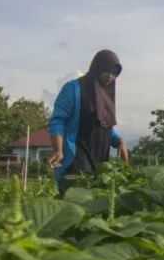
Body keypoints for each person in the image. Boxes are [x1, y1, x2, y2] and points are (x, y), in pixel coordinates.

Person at [48, 49, 130, 196]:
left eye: (114, 74)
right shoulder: (73, 89)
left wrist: (119, 141)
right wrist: (58, 150)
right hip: (77, 156)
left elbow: (105, 125)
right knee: (77, 199)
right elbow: (58, 121)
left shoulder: (105, 95)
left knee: (94, 204)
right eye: (107, 72)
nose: (110, 77)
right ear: (97, 68)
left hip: (100, 159)